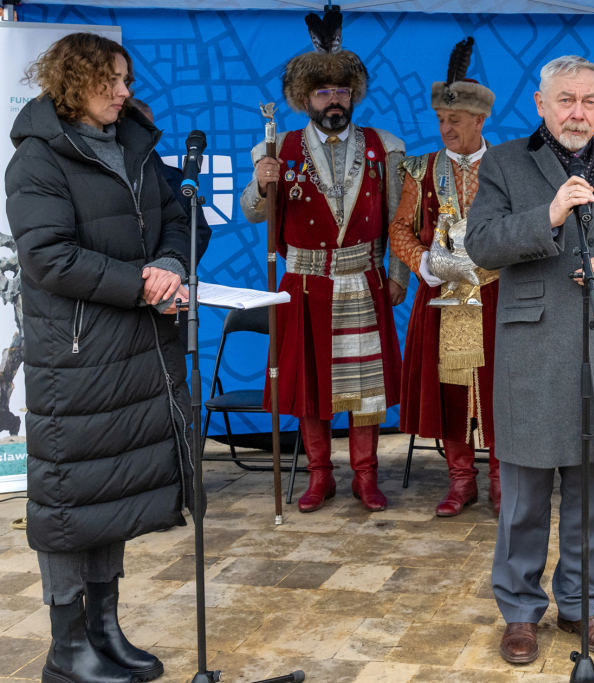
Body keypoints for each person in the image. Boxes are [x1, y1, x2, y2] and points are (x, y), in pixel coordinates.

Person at [466, 55, 594, 664]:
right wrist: (549, 215)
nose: (579, 112)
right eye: (566, 100)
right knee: (527, 494)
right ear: (540, 104)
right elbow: (481, 243)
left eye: (590, 101)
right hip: (533, 350)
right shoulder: (504, 162)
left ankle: (581, 602)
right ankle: (520, 610)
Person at [6, 33, 197, 683]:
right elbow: (48, 258)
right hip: (77, 358)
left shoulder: (132, 145)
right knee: (68, 502)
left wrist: (170, 260)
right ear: (74, 81)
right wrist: (137, 282)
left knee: (107, 491)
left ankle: (105, 629)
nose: (125, 92)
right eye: (111, 81)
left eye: (127, 80)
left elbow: (176, 216)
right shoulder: (38, 160)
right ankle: (67, 650)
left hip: (132, 352)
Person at [241, 10, 409, 513]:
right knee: (310, 387)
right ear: (304, 99)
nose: (333, 100)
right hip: (305, 283)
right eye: (323, 92)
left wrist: (398, 276)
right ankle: (320, 477)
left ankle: (365, 476)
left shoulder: (387, 147)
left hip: (365, 277)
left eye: (341, 91)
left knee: (366, 386)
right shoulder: (275, 148)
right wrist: (261, 182)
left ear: (353, 94)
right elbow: (252, 213)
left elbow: (399, 220)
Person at [389, 38, 501, 517]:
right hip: (443, 296)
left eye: (455, 119)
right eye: (441, 119)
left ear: (480, 120)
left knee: (501, 389)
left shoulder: (509, 167)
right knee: (450, 390)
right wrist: (424, 265)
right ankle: (460, 480)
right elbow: (398, 228)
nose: (446, 127)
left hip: (499, 294)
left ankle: (502, 478)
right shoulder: (422, 169)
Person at [132, 98, 212, 353]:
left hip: (170, 302)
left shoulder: (176, 180)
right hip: (125, 304)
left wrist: (170, 270)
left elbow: (196, 232)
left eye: (151, 130)